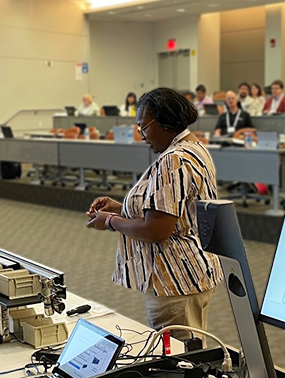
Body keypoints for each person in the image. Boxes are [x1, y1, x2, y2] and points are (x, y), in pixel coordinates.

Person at [86, 88, 223, 340]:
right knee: (192, 352)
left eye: (144, 128)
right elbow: (175, 208)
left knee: (181, 361)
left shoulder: (173, 160)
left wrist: (111, 221)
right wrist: (121, 207)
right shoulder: (194, 147)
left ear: (164, 122)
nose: (142, 136)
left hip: (175, 280)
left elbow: (156, 230)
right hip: (194, 272)